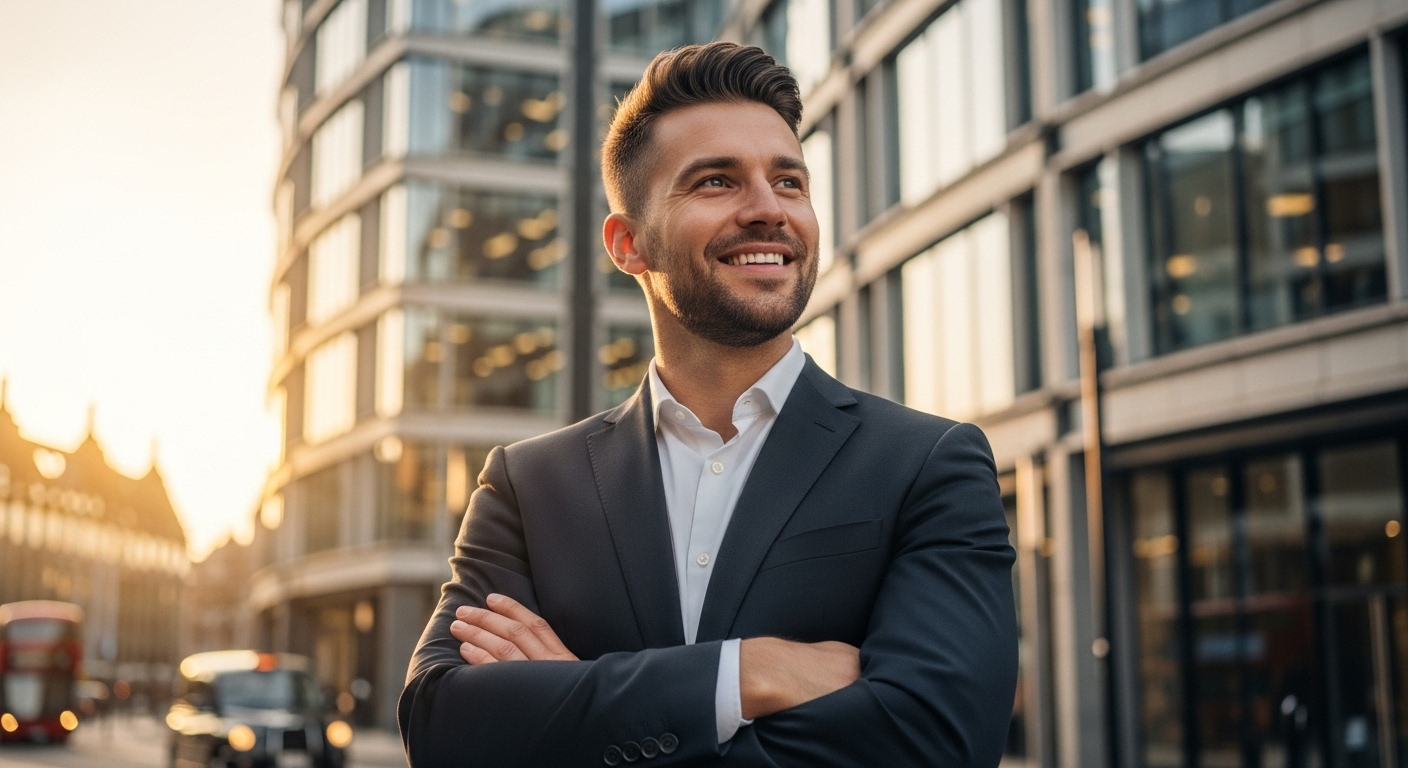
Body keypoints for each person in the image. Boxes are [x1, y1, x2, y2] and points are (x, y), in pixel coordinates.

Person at [398, 41, 1018, 767]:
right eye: (717, 181)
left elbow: (937, 741)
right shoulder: (528, 486)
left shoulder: (929, 466)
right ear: (629, 244)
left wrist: (578, 705)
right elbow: (444, 728)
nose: (768, 210)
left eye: (789, 182)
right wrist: (748, 674)